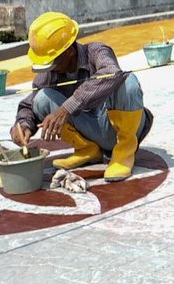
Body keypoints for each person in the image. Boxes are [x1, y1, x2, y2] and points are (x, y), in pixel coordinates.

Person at [10, 11, 153, 182]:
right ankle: (87, 150)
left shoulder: (96, 51)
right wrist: (23, 125)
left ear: (69, 51)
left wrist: (67, 108)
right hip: (91, 130)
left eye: (53, 62)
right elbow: (29, 106)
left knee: (128, 81)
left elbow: (111, 72)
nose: (51, 68)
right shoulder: (48, 75)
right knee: (42, 98)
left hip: (115, 127)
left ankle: (124, 152)